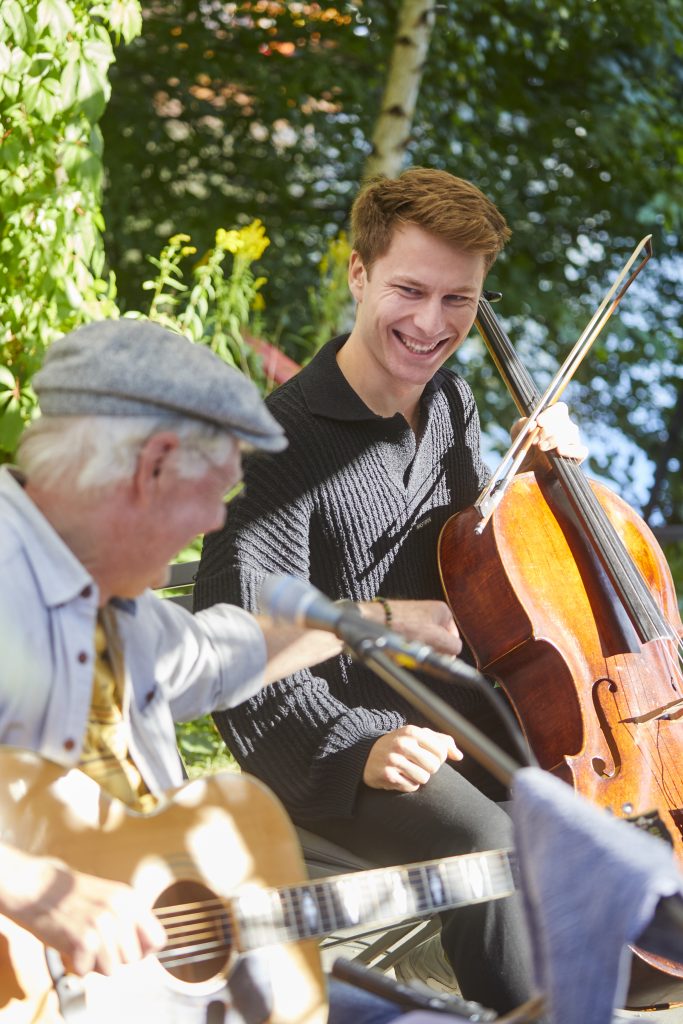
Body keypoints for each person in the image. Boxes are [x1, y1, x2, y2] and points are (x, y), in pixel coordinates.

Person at [194, 167, 587, 1014]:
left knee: (584, 810)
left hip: (451, 721)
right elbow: (238, 652)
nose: (431, 323)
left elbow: (482, 572)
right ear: (358, 273)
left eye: (458, 300)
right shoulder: (275, 445)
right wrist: (356, 746)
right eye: (409, 290)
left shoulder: (451, 405)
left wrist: (544, 482)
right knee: (490, 842)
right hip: (328, 745)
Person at [0, 317, 455, 1022]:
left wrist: (373, 622)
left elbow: (218, 655)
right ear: (152, 468)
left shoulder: (113, 608)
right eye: (213, 491)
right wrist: (33, 887)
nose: (215, 522)